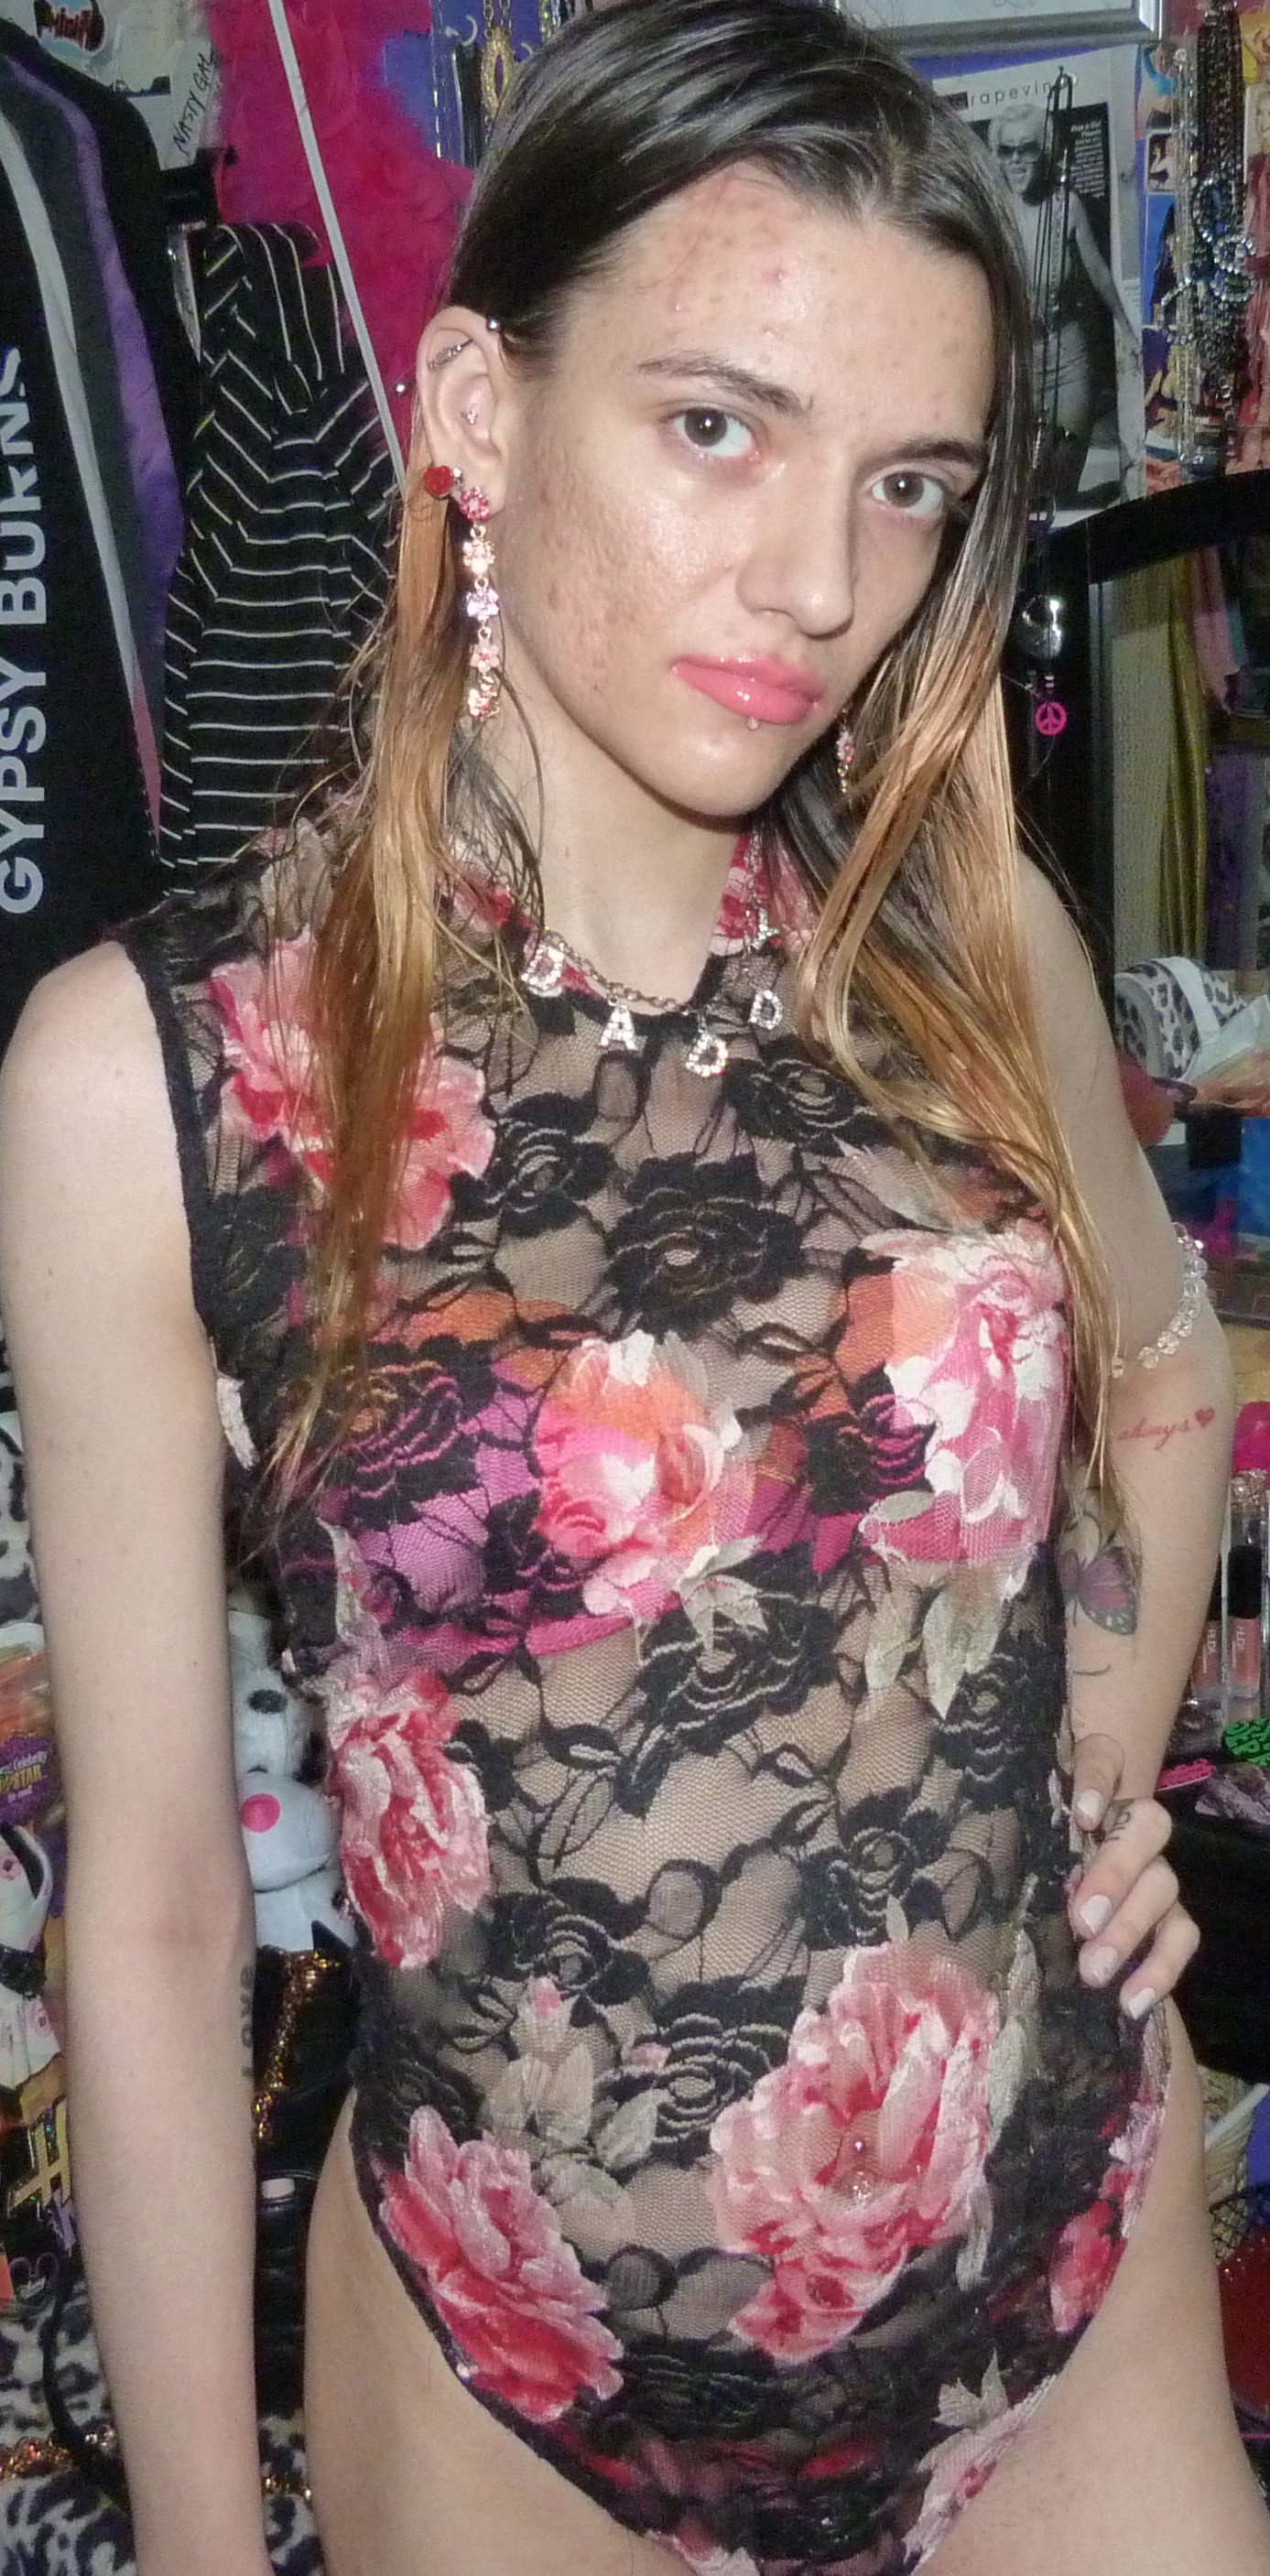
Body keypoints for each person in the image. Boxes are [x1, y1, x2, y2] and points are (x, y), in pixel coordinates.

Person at [0, 5, 1261, 2572]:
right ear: (478, 407)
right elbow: (149, 1912)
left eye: (906, 486)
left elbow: (1162, 1366)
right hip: (513, 2409)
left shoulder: (964, 949)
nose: (820, 583)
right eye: (716, 426)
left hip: (1057, 2301)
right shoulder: (161, 1086)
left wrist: (1106, 1774)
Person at [988, 103, 1139, 505]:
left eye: (1027, 148)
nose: (1016, 160)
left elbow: (1099, 273)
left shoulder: (1066, 207)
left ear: (1046, 151)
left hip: (1070, 361)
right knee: (1022, 488)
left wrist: (1127, 330)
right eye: (1007, 150)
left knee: (1063, 476)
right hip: (1017, 364)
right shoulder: (992, 212)